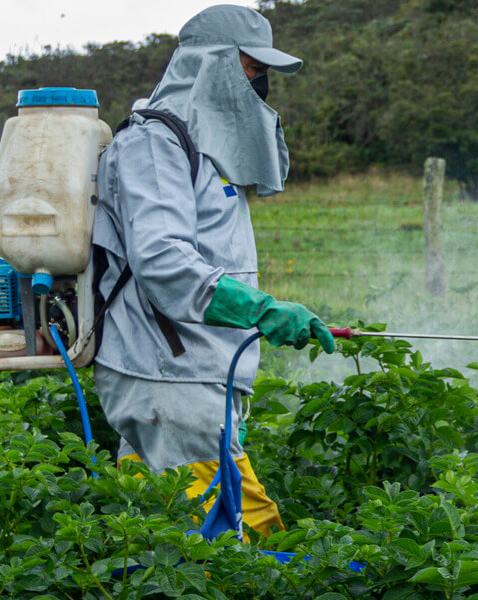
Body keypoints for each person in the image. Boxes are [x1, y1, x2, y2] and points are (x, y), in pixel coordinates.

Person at [91, 4, 334, 541]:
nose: (260, 86)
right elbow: (163, 263)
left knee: (159, 540)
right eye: (250, 71)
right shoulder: (154, 144)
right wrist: (261, 309)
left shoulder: (205, 150)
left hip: (192, 376)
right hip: (166, 375)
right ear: (210, 65)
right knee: (247, 541)